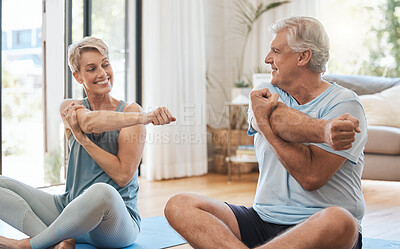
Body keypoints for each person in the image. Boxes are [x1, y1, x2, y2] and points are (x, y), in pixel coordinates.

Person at [164, 16, 367, 249]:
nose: (267, 59)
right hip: (262, 219)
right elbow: (279, 120)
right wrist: (325, 129)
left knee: (341, 221)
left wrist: (265, 128)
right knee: (179, 205)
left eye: (276, 51)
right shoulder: (265, 90)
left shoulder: (346, 104)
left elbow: (311, 177)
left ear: (303, 56)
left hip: (318, 225)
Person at [0, 36, 176, 249]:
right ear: (77, 76)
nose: (102, 73)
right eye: (92, 69)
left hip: (113, 223)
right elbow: (89, 122)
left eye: (105, 64)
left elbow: (122, 176)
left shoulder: (130, 112)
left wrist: (83, 141)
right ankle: (59, 242)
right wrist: (146, 117)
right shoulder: (70, 106)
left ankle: (31, 245)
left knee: (102, 191)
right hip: (69, 212)